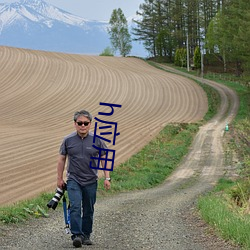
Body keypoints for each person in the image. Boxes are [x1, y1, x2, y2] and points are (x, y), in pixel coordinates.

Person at [57, 110, 111, 248]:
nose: (83, 126)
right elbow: (62, 159)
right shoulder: (68, 140)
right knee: (75, 206)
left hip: (91, 180)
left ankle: (86, 235)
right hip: (73, 179)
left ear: (90, 124)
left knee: (88, 208)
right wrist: (59, 179)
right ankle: (76, 235)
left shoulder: (97, 140)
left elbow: (104, 158)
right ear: (75, 124)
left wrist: (107, 177)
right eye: (79, 123)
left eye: (85, 123)